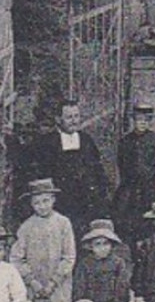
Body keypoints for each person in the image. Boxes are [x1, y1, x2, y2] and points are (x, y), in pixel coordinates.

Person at [27, 100, 109, 234]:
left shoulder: (86, 140)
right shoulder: (47, 143)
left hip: (86, 201)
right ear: (59, 119)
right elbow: (41, 173)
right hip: (61, 202)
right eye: (69, 117)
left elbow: (97, 169)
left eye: (76, 116)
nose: (74, 121)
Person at [12, 178, 78, 302]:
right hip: (35, 287)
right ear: (31, 204)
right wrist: (32, 282)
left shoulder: (63, 223)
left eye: (45, 201)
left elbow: (69, 257)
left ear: (53, 200)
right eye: (37, 203)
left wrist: (54, 282)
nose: (42, 206)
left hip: (59, 286)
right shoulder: (26, 227)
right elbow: (16, 258)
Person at [115, 103, 155, 243]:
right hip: (131, 189)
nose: (142, 123)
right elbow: (122, 165)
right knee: (128, 220)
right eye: (139, 119)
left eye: (146, 120)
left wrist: (154, 183)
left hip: (151, 188)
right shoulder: (125, 141)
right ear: (134, 120)